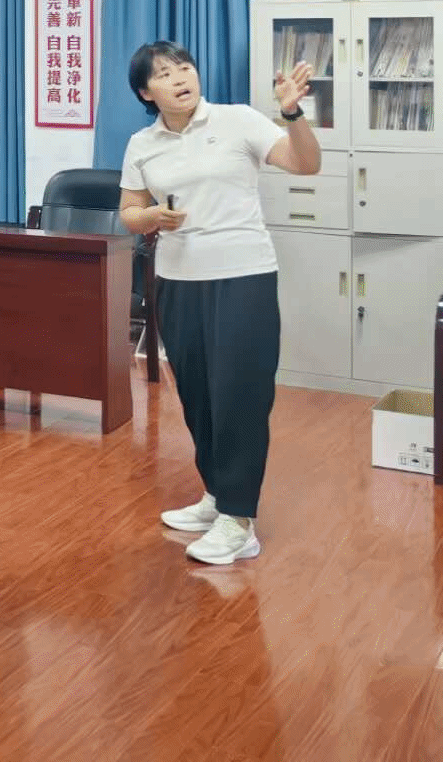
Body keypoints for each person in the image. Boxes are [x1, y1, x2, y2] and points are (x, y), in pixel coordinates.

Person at [118, 41, 320, 567]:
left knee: (239, 396)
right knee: (198, 395)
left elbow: (305, 164)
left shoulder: (238, 120)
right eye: (164, 74)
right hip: (177, 280)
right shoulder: (142, 143)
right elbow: (130, 210)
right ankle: (217, 494)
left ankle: (239, 520)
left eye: (184, 67)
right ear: (146, 92)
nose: (180, 78)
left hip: (243, 276)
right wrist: (150, 219)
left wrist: (292, 113)